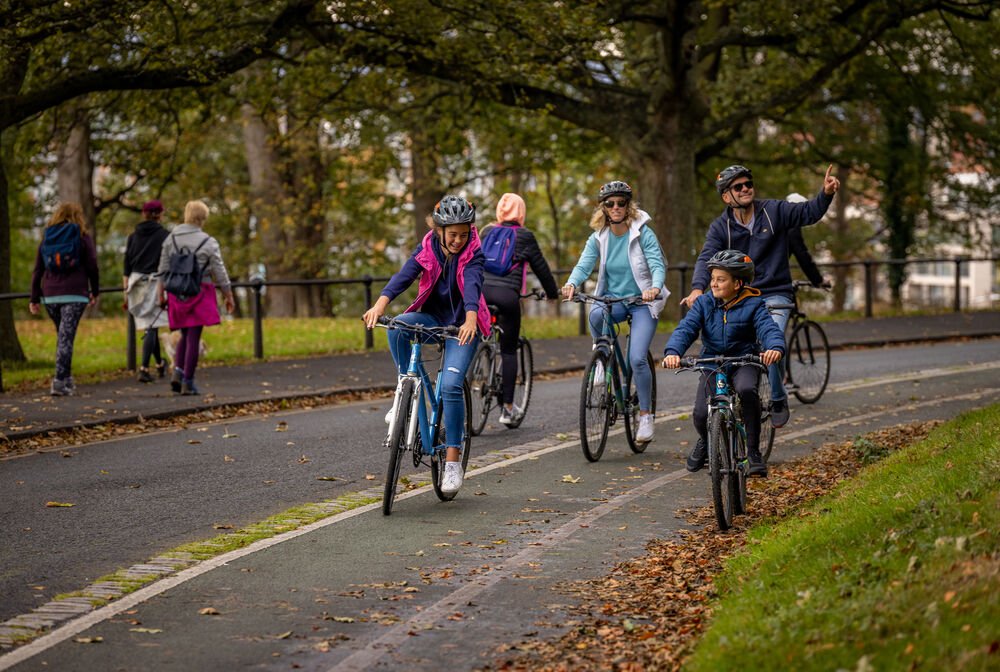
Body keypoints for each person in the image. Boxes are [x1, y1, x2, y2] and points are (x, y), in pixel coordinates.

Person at [680, 165, 840, 429]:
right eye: (738, 187)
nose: (745, 189)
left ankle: (777, 397)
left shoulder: (774, 211)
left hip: (775, 293)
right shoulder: (722, 227)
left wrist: (825, 193)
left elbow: (808, 213)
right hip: (740, 297)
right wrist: (698, 288)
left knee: (771, 342)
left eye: (748, 184)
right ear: (726, 197)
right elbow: (706, 258)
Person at [362, 195, 491, 495]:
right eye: (452, 234)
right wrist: (381, 304)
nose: (458, 240)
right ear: (438, 230)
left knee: (450, 387)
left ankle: (452, 462)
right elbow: (405, 275)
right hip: (433, 317)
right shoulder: (428, 247)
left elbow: (472, 285)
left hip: (462, 326)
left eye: (463, 233)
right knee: (397, 328)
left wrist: (471, 319)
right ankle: (404, 390)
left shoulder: (474, 253)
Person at [561, 180, 668, 443]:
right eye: (610, 203)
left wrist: (654, 287)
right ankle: (602, 358)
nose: (616, 207)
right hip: (614, 300)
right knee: (596, 314)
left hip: (642, 302)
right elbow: (584, 265)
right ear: (604, 208)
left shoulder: (643, 233)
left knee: (637, 359)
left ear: (628, 206)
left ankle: (645, 415)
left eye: (621, 202)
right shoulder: (599, 237)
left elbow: (657, 264)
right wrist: (572, 283)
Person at [663, 250, 785, 477]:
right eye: (712, 279)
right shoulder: (704, 303)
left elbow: (768, 329)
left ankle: (753, 451)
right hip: (712, 361)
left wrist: (774, 348)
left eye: (721, 279)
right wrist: (673, 352)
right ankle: (706, 441)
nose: (714, 284)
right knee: (701, 413)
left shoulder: (754, 304)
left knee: (747, 390)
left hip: (744, 359)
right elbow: (686, 329)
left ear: (738, 283)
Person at [480, 193, 560, 425]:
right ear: (521, 213)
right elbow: (541, 268)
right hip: (507, 296)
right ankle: (507, 409)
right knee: (508, 349)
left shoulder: (486, 232)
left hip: (480, 294)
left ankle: (472, 376)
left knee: (473, 339)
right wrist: (552, 293)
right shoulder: (524, 236)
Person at [156, 200, 235, 396]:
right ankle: (188, 381)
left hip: (176, 292)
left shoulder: (170, 239)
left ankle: (177, 372)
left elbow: (162, 270)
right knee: (194, 336)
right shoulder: (208, 242)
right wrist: (228, 295)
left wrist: (160, 294)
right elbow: (219, 270)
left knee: (184, 334)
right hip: (200, 289)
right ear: (202, 219)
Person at [29, 202, 100, 396]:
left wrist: (34, 297)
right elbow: (93, 265)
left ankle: (67, 379)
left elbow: (38, 269)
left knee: (63, 338)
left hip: (51, 295)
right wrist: (95, 290)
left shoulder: (48, 237)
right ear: (78, 216)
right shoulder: (82, 236)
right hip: (75, 294)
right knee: (65, 339)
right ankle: (59, 381)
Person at [123, 199, 170, 383]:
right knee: (151, 326)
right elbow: (166, 263)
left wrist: (125, 291)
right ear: (159, 214)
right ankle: (143, 368)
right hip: (155, 282)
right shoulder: (165, 235)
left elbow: (126, 265)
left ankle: (159, 364)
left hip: (135, 283)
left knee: (151, 326)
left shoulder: (133, 236)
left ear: (144, 214)